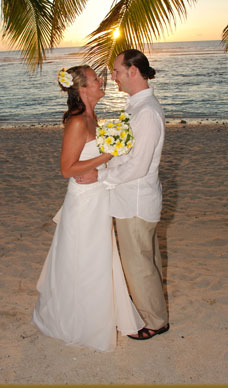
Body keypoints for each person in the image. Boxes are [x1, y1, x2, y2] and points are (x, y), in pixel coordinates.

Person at [32, 65, 144, 352]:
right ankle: (78, 321)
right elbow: (67, 168)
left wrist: (110, 160)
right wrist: (106, 155)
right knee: (84, 258)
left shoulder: (94, 117)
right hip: (83, 201)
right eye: (96, 79)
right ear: (82, 89)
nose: (102, 82)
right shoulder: (78, 123)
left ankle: (99, 313)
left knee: (99, 256)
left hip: (98, 197)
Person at [76, 50, 169, 340]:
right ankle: (153, 313)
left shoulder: (147, 112)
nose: (112, 77)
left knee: (139, 266)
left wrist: (100, 177)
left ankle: (156, 321)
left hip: (136, 200)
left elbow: (139, 165)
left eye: (116, 70)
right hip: (130, 198)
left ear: (133, 71)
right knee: (144, 260)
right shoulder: (136, 107)